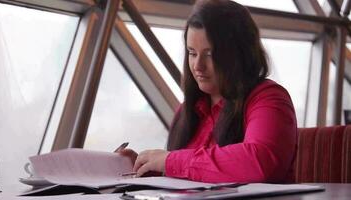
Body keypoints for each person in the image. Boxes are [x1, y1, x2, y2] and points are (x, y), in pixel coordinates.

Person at [119, 0, 297, 183]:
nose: (198, 66)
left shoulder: (269, 98)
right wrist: (147, 168)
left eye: (210, 54)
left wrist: (170, 161)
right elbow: (190, 175)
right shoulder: (187, 110)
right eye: (192, 53)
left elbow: (259, 163)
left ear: (239, 54)